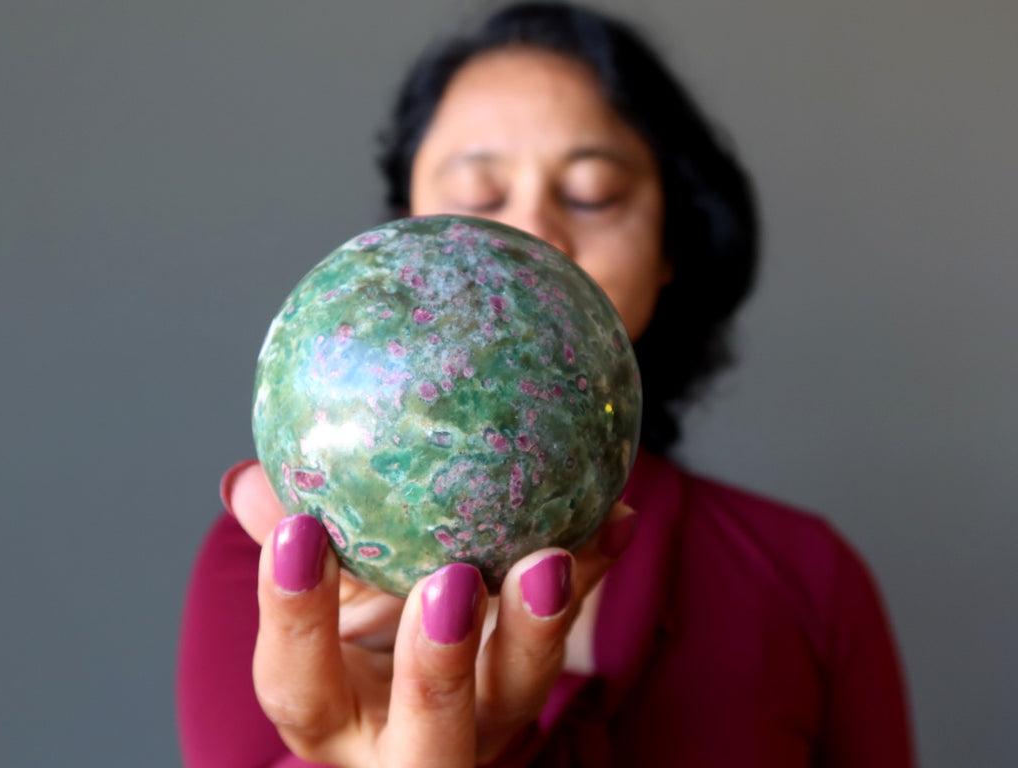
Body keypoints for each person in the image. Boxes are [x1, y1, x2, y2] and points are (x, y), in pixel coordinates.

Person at [177, 3, 915, 766]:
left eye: (593, 194)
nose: (531, 234)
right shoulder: (282, 567)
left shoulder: (805, 577)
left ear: (669, 245)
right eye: (479, 199)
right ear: (405, 240)